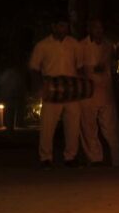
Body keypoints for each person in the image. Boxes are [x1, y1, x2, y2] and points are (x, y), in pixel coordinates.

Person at [29, 15, 84, 170]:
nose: (63, 29)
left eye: (65, 26)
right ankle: (45, 157)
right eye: (60, 26)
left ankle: (71, 157)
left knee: (73, 123)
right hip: (51, 87)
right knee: (48, 124)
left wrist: (80, 87)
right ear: (53, 26)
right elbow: (34, 68)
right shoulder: (43, 46)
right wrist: (39, 87)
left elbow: (79, 67)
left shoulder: (74, 44)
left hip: (71, 88)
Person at [78, 19, 119, 167]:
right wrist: (89, 72)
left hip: (106, 90)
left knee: (111, 126)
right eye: (95, 27)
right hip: (88, 92)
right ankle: (95, 159)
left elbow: (115, 62)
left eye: (100, 27)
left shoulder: (108, 45)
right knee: (89, 127)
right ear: (89, 29)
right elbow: (78, 67)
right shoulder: (81, 46)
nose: (98, 30)